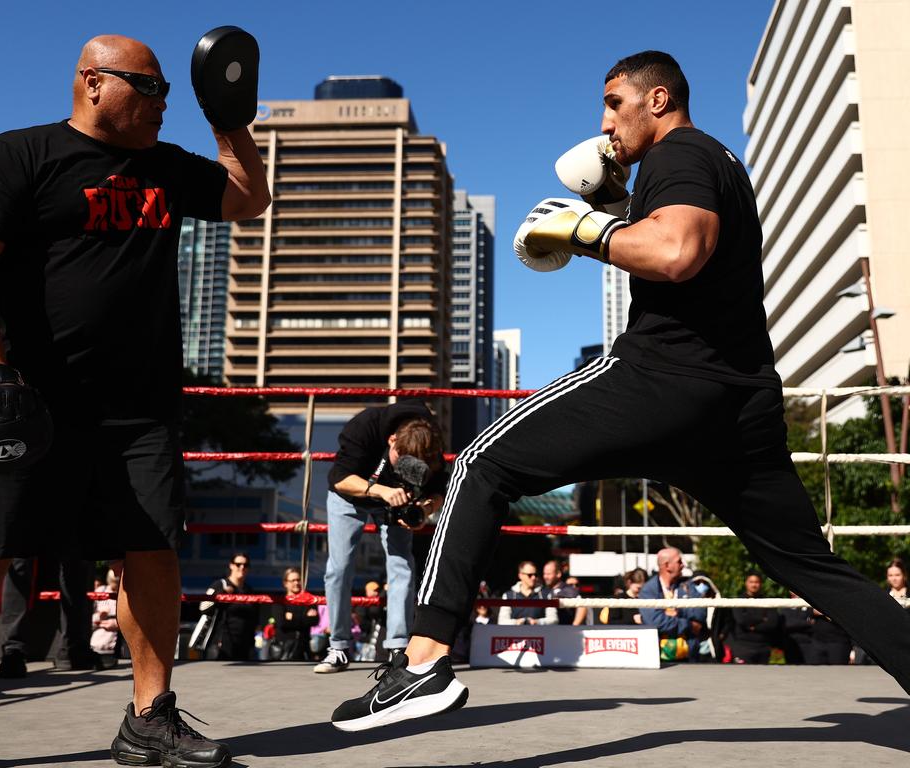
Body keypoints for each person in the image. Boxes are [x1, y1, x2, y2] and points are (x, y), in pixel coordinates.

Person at [330, 50, 910, 731]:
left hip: (660, 379)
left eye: (614, 103)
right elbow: (674, 244)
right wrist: (612, 204)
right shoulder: (719, 163)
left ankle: (421, 664)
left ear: (656, 100)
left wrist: (585, 229)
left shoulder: (679, 152)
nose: (605, 121)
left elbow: (675, 253)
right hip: (739, 403)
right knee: (810, 565)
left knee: (483, 463)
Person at [0, 35, 270, 768]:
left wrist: (228, 121)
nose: (162, 103)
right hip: (27, 400)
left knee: (152, 552)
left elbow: (249, 198)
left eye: (166, 92)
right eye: (147, 87)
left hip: (140, 407)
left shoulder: (167, 168)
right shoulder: (18, 154)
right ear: (92, 82)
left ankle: (149, 718)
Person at [315, 402, 446, 674]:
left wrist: (425, 509)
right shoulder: (365, 426)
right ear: (392, 440)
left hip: (396, 503)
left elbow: (438, 490)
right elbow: (340, 479)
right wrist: (381, 490)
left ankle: (398, 648)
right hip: (350, 497)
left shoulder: (429, 443)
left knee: (403, 566)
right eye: (402, 459)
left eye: (415, 464)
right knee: (338, 569)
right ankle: (338, 646)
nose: (406, 466)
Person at [638, 548, 706, 662]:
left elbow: (700, 613)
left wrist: (677, 611)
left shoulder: (688, 586)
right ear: (667, 565)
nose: (683, 565)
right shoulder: (648, 590)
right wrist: (688, 625)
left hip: (689, 658)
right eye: (679, 561)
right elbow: (655, 622)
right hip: (659, 660)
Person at [199, 554, 258, 661]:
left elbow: (254, 620)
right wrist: (222, 594)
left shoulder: (249, 590)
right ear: (231, 565)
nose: (242, 567)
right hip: (221, 645)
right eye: (238, 564)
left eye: (246, 565)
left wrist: (252, 644)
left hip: (244, 648)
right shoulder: (220, 585)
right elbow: (203, 607)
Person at [726, 571, 780, 664]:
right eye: (751, 582)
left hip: (763, 648)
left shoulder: (768, 602)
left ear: (761, 584)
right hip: (742, 648)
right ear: (746, 583)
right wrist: (762, 619)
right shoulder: (738, 601)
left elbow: (772, 623)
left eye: (756, 582)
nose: (754, 585)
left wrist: (752, 625)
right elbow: (741, 620)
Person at [497, 561, 557, 626]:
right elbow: (502, 621)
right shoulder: (508, 595)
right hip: (515, 635)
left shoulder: (546, 594)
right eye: (530, 575)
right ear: (520, 575)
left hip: (540, 634)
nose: (533, 578)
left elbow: (554, 619)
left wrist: (537, 622)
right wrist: (516, 622)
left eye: (535, 575)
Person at [91, 562, 123, 666]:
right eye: (113, 587)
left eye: (117, 587)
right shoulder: (101, 591)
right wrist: (99, 616)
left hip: (116, 645)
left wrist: (118, 626)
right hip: (96, 642)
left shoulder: (126, 594)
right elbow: (87, 621)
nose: (114, 590)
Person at [541, 560, 586, 625]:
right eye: (544, 574)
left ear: (558, 574)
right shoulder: (543, 590)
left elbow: (582, 605)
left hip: (564, 631)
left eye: (548, 574)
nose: (545, 577)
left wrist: (574, 627)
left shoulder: (568, 590)